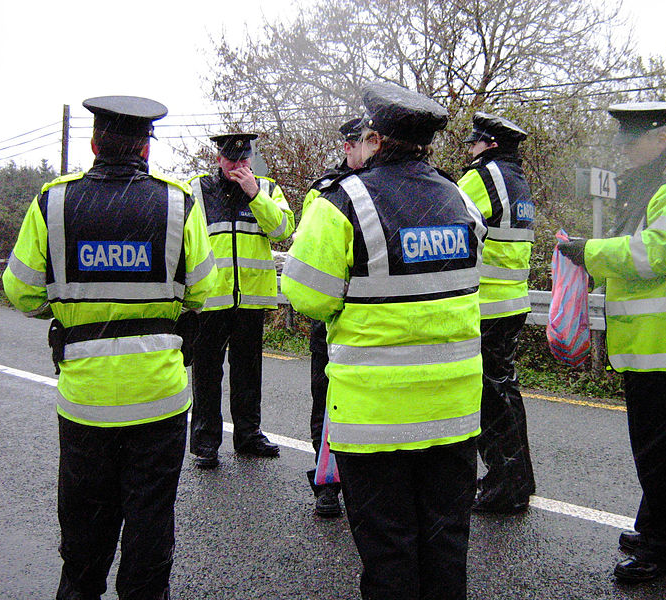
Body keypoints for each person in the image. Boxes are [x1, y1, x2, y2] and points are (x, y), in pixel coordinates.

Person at [3, 95, 217, 600]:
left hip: (86, 402)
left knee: (83, 536)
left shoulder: (55, 202)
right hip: (159, 400)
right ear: (145, 148)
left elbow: (21, 290)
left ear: (95, 144)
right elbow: (203, 289)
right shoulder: (177, 202)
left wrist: (67, 308)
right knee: (149, 529)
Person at [282, 81, 486, 600]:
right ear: (426, 143)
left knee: (389, 556)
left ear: (374, 139)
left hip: (375, 422)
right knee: (446, 549)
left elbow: (307, 296)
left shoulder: (340, 203)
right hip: (454, 414)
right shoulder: (462, 199)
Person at [558, 101, 666, 582]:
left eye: (632, 142)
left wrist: (590, 252)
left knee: (661, 451)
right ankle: (661, 527)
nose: (623, 150)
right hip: (655, 341)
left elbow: (659, 254)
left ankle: (665, 546)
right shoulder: (659, 180)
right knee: (661, 447)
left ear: (661, 139)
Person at [188, 133, 295, 468]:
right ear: (219, 159)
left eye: (244, 160)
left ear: (251, 160)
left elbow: (282, 230)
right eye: (231, 160)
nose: (238, 166)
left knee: (248, 372)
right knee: (206, 373)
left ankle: (248, 435)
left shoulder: (267, 189)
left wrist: (254, 194)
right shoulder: (198, 190)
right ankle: (206, 442)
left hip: (251, 298)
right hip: (210, 298)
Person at [457, 111, 536, 513]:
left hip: (485, 304)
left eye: (474, 143)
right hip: (513, 302)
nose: (470, 150)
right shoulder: (518, 181)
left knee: (490, 398)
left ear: (489, 145)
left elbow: (449, 221)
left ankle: (504, 486)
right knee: (505, 391)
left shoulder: (482, 177)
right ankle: (517, 479)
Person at [303, 116, 364, 517]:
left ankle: (362, 482)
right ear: (348, 147)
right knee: (326, 398)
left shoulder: (387, 187)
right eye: (364, 142)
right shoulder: (325, 191)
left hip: (374, 317)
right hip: (331, 316)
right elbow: (309, 252)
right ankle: (327, 481)